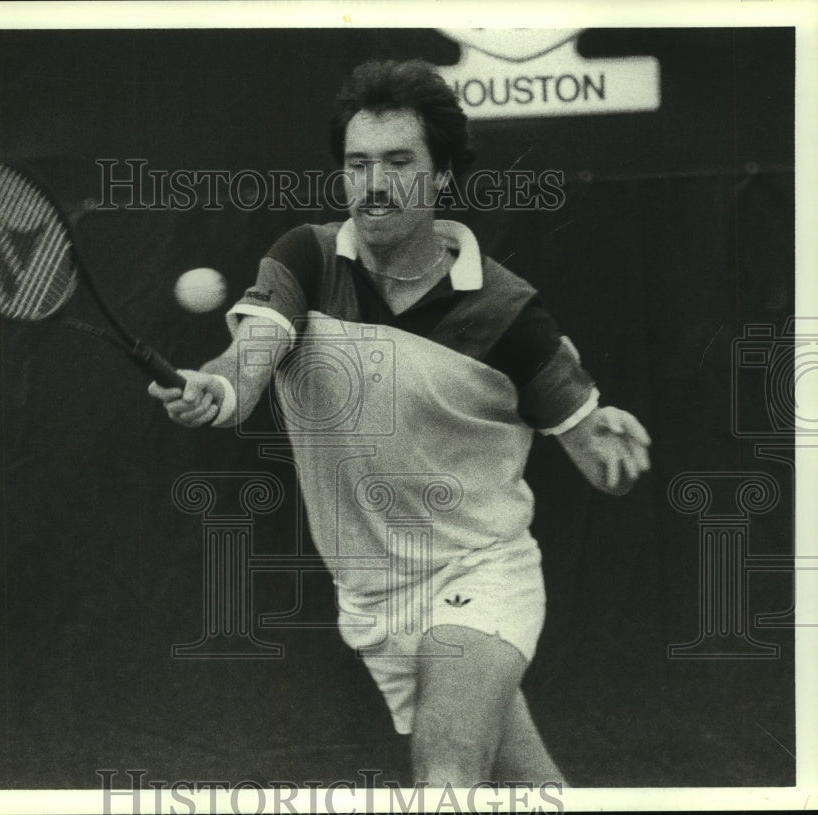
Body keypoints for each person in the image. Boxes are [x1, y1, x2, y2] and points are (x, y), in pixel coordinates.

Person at [148, 58, 651, 787]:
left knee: (447, 774)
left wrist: (613, 449)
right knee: (533, 791)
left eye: (397, 161)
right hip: (373, 595)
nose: (374, 183)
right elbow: (247, 360)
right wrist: (214, 390)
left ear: (441, 173)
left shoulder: (509, 314)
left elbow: (598, 461)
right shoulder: (308, 260)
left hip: (481, 570)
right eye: (357, 164)